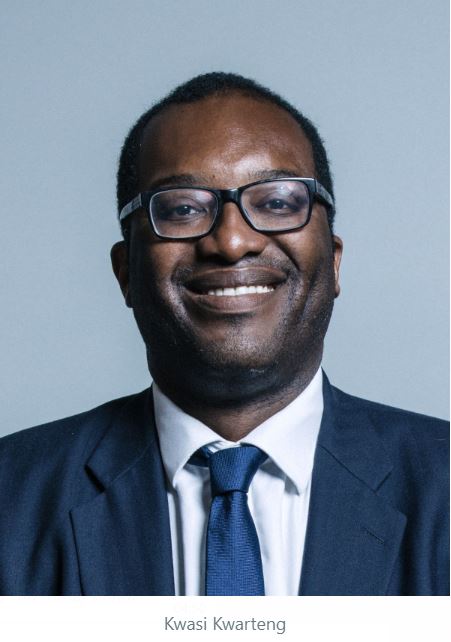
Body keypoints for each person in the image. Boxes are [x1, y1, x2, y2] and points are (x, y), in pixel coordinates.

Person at [0, 72, 448, 596]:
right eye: (183, 208)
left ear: (334, 262)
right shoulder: (11, 498)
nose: (232, 241)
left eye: (277, 202)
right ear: (125, 273)